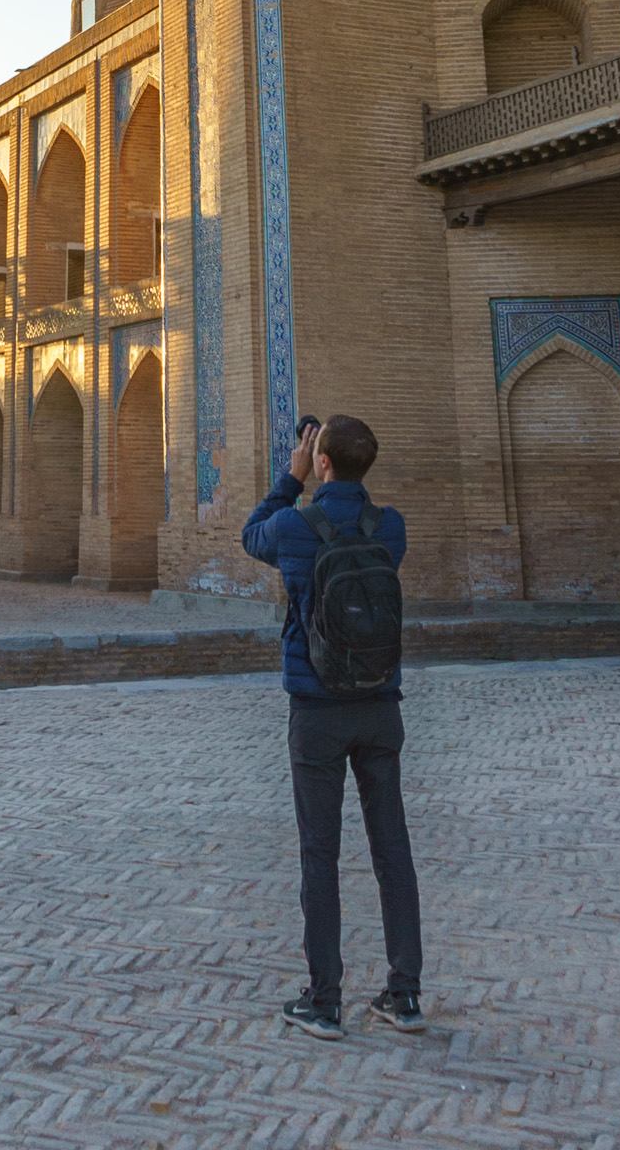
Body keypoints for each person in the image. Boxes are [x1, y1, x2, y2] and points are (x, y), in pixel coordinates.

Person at [242, 413, 425, 1041]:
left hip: (316, 708)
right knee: (392, 848)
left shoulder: (295, 525)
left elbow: (251, 535)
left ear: (321, 461)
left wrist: (290, 480)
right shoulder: (390, 526)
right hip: (380, 703)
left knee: (320, 853)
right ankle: (404, 996)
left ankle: (325, 1002)